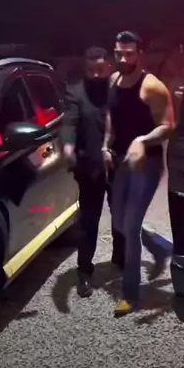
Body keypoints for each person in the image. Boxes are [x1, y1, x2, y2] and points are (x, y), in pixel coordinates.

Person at [102, 31, 175, 317]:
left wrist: (142, 141)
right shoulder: (113, 81)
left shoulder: (152, 86)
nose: (123, 59)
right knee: (120, 223)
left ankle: (130, 294)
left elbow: (168, 125)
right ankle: (161, 247)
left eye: (129, 54)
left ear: (140, 55)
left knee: (130, 228)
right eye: (119, 53)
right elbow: (111, 116)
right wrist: (105, 145)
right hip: (121, 161)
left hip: (147, 165)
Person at [62, 46, 124, 297]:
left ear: (108, 66)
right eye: (91, 70)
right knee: (88, 222)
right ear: (85, 69)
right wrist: (68, 146)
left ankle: (121, 260)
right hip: (90, 168)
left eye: (100, 69)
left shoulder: (119, 90)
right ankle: (84, 272)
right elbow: (69, 122)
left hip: (119, 166)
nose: (96, 75)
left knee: (121, 217)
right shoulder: (76, 92)